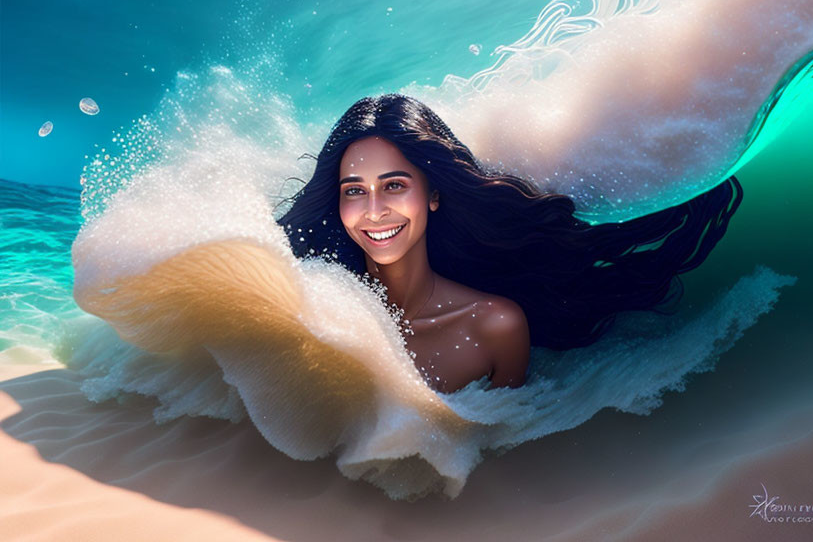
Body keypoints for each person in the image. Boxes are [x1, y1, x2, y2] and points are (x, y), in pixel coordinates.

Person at [276, 94, 742, 394]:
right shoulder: (313, 304)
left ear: (434, 194)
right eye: (354, 190)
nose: (374, 210)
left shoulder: (494, 327)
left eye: (394, 185)